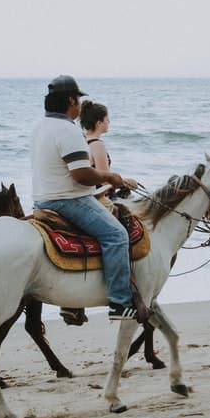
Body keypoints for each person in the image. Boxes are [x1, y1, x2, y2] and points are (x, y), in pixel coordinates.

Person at [32, 75, 139, 321]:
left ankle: (74, 301)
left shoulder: (40, 126)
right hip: (68, 200)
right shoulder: (67, 130)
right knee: (116, 235)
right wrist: (110, 177)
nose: (79, 104)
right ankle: (120, 303)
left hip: (41, 200)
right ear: (71, 100)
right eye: (78, 99)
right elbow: (81, 175)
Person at [59, 99, 127, 326]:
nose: (109, 123)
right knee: (125, 230)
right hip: (100, 198)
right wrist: (125, 182)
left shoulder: (81, 140)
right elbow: (104, 179)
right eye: (107, 119)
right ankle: (123, 292)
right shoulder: (97, 144)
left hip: (86, 196)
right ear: (99, 122)